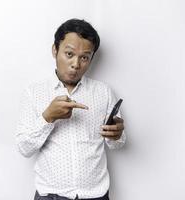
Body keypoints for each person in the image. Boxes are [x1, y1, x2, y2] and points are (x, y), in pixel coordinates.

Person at [16, 18, 126, 200]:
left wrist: (117, 135)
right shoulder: (33, 93)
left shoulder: (103, 92)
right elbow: (24, 148)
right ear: (55, 50)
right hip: (50, 196)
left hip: (96, 195)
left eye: (84, 57)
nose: (76, 64)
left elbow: (117, 144)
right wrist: (47, 118)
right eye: (69, 54)